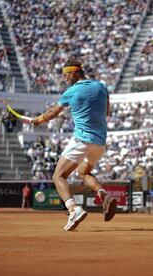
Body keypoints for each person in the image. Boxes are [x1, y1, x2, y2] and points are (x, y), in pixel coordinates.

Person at [32, 59, 116, 231]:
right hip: (100, 143)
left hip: (82, 139)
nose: (65, 79)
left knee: (58, 176)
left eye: (66, 75)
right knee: (83, 172)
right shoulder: (101, 86)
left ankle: (73, 209)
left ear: (74, 73)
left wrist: (38, 120)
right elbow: (107, 111)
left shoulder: (71, 91)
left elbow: (53, 112)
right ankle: (103, 194)